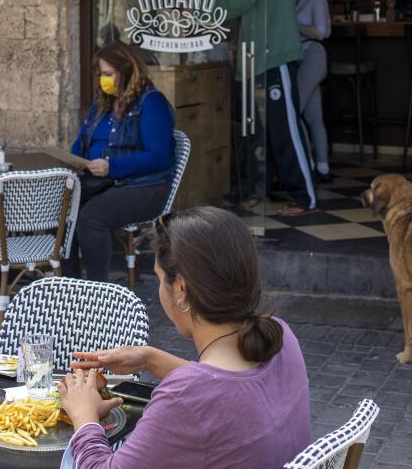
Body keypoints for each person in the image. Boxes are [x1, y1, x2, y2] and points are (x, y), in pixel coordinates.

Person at [59, 206, 311, 468]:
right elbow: (227, 389)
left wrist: (84, 415)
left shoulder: (184, 398)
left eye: (159, 278)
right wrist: (150, 358)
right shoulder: (280, 337)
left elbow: (204, 395)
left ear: (180, 289)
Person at [216, 0, 317, 216]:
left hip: (272, 58)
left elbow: (238, 2)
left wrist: (199, 8)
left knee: (283, 129)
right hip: (259, 58)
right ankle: (260, 191)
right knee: (261, 132)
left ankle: (304, 196)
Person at [69, 42, 174, 281]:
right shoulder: (102, 102)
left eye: (108, 74)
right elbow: (82, 139)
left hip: (144, 187)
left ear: (126, 71)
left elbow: (158, 156)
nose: (103, 80)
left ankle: (99, 293)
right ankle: (69, 284)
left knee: (91, 217)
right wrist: (76, 159)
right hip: (103, 181)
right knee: (61, 207)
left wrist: (111, 166)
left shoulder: (151, 103)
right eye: (101, 75)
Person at [290, 0, 332, 183]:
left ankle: (308, 163)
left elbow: (322, 31)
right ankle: (323, 169)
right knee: (313, 116)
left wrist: (294, 25)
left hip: (313, 55)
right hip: (301, 57)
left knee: (293, 111)